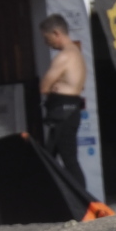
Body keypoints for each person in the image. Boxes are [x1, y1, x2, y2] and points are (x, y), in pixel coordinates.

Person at [38, 13, 88, 185]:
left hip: (63, 112)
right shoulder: (76, 54)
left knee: (68, 159)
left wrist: (54, 85)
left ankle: (82, 198)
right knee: (52, 157)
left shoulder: (64, 56)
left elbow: (44, 87)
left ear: (56, 33)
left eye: (47, 38)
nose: (46, 43)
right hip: (68, 110)